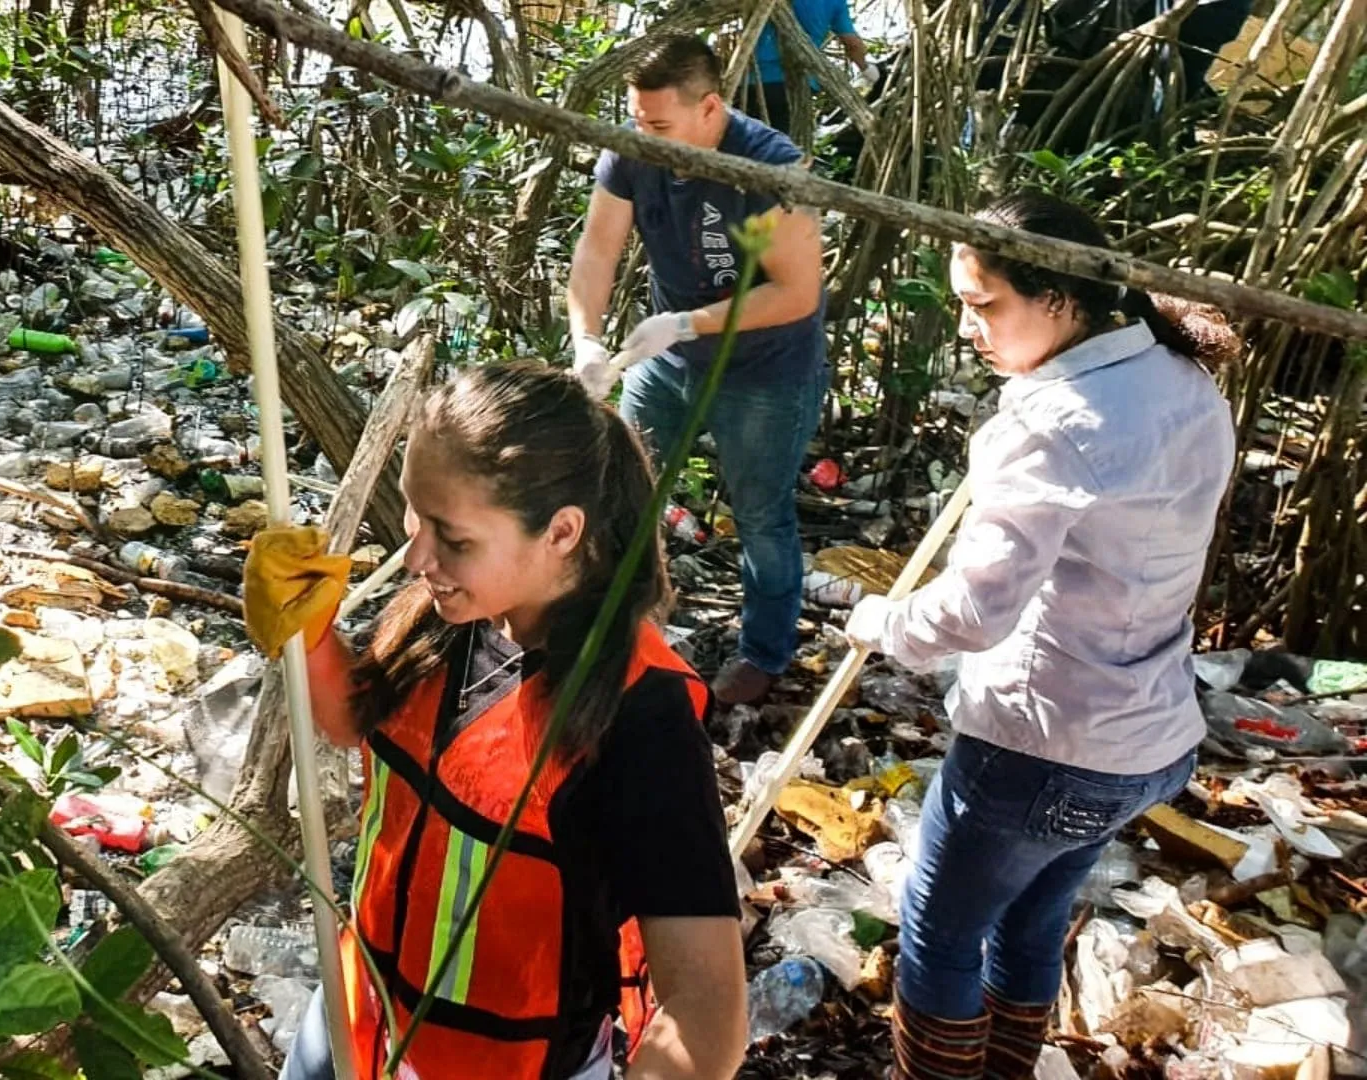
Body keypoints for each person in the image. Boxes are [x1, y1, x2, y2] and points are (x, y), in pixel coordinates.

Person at [244, 362, 748, 1080]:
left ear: (562, 533)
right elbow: (357, 721)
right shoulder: (449, 614)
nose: (418, 558)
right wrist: (311, 632)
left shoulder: (643, 717)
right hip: (358, 1013)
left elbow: (707, 1012)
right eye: (416, 519)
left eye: (453, 539)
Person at [843, 192, 1237, 1080]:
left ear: (1059, 299)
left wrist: (885, 623)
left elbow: (975, 614)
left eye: (985, 307)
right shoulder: (1186, 386)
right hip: (1147, 741)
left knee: (938, 941)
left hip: (1041, 747)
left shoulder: (1049, 425)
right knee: (1029, 924)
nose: (970, 330)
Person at [568, 34, 829, 708]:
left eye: (660, 126)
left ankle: (764, 651)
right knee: (623, 492)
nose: (644, 137)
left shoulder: (769, 168)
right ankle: (623, 629)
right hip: (666, 361)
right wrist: (586, 340)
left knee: (761, 514)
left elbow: (794, 292)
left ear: (710, 108)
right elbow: (597, 251)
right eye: (636, 122)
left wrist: (689, 323)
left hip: (765, 371)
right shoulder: (635, 152)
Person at [744, 0, 874, 136]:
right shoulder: (835, 2)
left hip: (752, 79)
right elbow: (852, 43)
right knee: (781, 144)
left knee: (741, 139)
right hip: (795, 82)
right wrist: (866, 68)